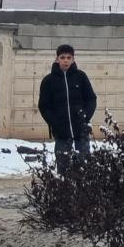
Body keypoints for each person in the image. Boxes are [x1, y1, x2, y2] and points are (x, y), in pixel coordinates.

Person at [38, 44, 97, 172]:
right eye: (62, 57)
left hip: (81, 131)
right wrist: (55, 123)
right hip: (61, 133)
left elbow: (91, 99)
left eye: (69, 57)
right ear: (57, 59)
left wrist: (84, 117)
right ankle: (63, 191)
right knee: (63, 168)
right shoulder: (48, 81)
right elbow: (44, 106)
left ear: (73, 59)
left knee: (84, 167)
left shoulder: (81, 77)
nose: (65, 60)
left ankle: (84, 192)